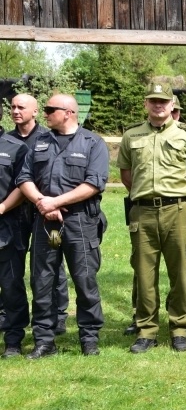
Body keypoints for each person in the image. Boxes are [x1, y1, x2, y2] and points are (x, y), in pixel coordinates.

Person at [18, 94, 109, 358]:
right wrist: (43, 202)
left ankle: (89, 338)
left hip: (80, 221)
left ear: (68, 112)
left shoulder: (93, 143)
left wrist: (56, 201)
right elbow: (24, 177)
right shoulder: (39, 143)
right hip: (45, 221)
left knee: (84, 280)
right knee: (42, 281)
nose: (45, 114)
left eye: (49, 109)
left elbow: (94, 183)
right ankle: (44, 340)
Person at [118, 83, 186, 353]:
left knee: (180, 271)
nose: (158, 105)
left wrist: (178, 195)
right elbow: (126, 174)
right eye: (153, 101)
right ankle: (146, 331)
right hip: (142, 211)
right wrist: (145, 195)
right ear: (146, 104)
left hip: (176, 212)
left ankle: (179, 329)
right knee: (144, 274)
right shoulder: (132, 135)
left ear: (171, 106)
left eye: (163, 101)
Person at [9, 94, 70, 337]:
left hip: (44, 213)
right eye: (12, 107)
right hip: (15, 214)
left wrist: (47, 203)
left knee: (52, 266)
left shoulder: (47, 138)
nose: (15, 111)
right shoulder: (6, 140)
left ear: (35, 112)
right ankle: (12, 314)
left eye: (21, 107)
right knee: (14, 267)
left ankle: (59, 314)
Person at [0, 105, 31, 358]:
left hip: (6, 226)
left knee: (11, 286)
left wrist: (1, 207)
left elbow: (23, 185)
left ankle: (13, 340)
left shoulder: (16, 147)